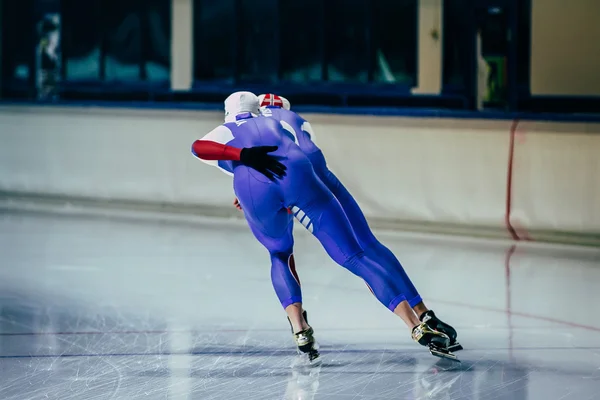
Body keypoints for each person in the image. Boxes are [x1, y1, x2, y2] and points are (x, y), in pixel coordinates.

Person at [191, 91, 458, 363]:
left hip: (253, 187)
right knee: (360, 253)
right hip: (304, 176)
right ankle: (418, 320)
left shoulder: (227, 128)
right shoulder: (288, 122)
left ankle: (299, 328)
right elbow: (308, 156)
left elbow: (200, 148)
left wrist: (245, 173)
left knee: (279, 253)